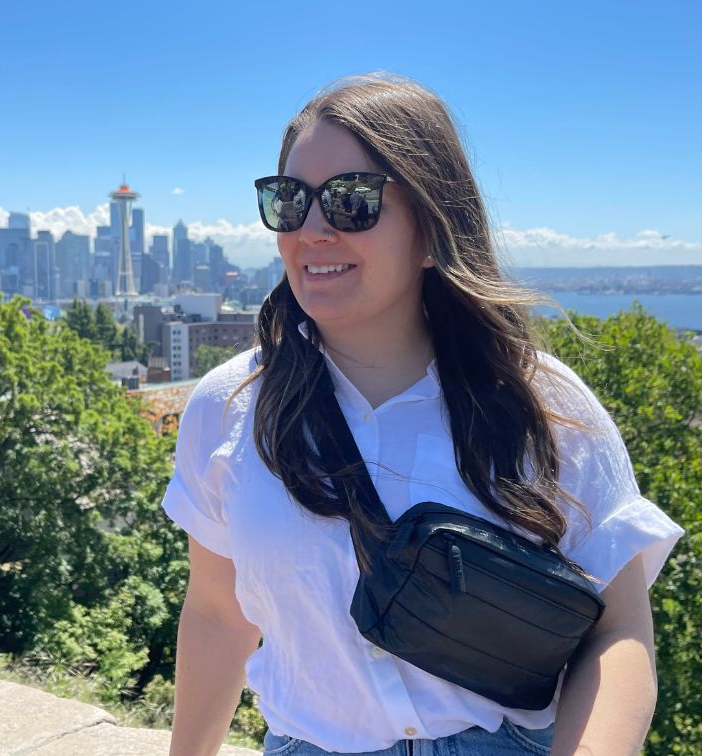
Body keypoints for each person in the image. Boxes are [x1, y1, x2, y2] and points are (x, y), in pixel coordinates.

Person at [162, 74, 683, 756]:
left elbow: (617, 632)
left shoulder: (543, 405)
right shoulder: (230, 408)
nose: (311, 229)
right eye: (288, 201)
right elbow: (215, 614)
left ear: (433, 230)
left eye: (351, 202)